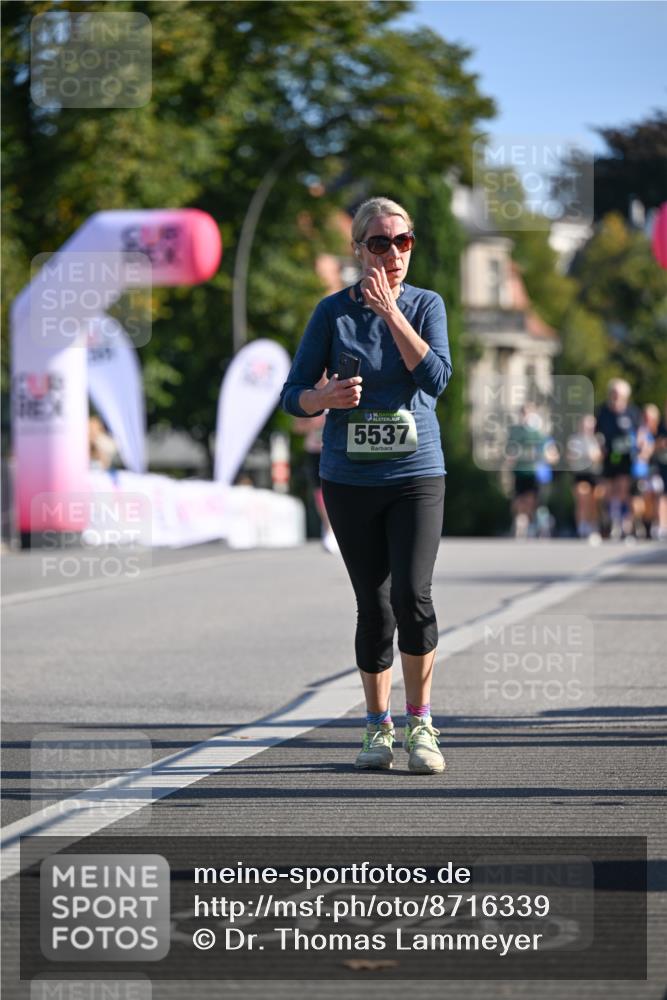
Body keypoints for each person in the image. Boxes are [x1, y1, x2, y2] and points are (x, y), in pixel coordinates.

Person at [280, 196, 452, 774]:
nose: (394, 253)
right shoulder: (331, 313)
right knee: (374, 607)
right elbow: (292, 394)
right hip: (350, 479)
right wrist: (322, 398)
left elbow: (436, 377)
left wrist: (392, 313)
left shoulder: (426, 305)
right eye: (380, 243)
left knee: (413, 595)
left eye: (403, 241)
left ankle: (420, 722)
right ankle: (378, 728)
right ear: (358, 250)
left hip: (416, 474)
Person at [292, 375, 339, 553]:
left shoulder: (340, 387)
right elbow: (297, 426)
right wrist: (312, 422)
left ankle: (336, 528)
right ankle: (328, 529)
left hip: (335, 448)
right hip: (315, 449)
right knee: (319, 492)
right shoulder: (310, 393)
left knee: (336, 490)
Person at [595, 379, 640, 540]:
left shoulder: (632, 412)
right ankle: (611, 519)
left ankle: (624, 522)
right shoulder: (603, 412)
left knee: (623, 487)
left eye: (618, 394)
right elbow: (596, 432)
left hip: (626, 457)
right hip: (609, 456)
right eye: (613, 393)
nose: (614, 396)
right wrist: (599, 446)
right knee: (607, 489)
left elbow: (640, 432)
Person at [566, 414, 604, 542]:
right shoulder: (575, 440)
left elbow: (599, 457)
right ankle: (582, 525)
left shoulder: (597, 439)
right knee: (582, 498)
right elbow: (571, 457)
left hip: (594, 474)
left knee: (594, 501)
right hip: (581, 474)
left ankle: (593, 525)